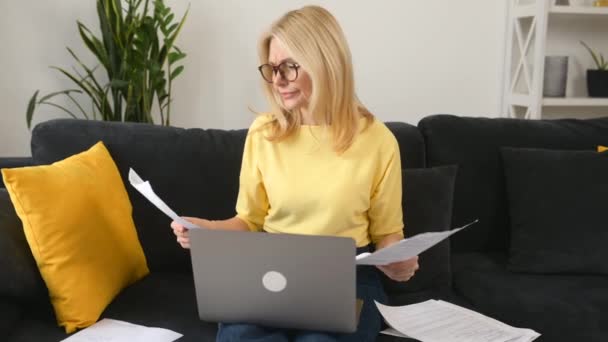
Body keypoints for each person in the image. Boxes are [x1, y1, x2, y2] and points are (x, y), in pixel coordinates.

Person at [171, 5, 419, 342]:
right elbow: (248, 220)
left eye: (289, 67)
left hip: (347, 276)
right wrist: (204, 230)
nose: (277, 81)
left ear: (326, 63)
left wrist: (399, 262)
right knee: (239, 336)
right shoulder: (262, 133)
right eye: (272, 69)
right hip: (271, 270)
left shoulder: (378, 140)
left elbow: (389, 233)